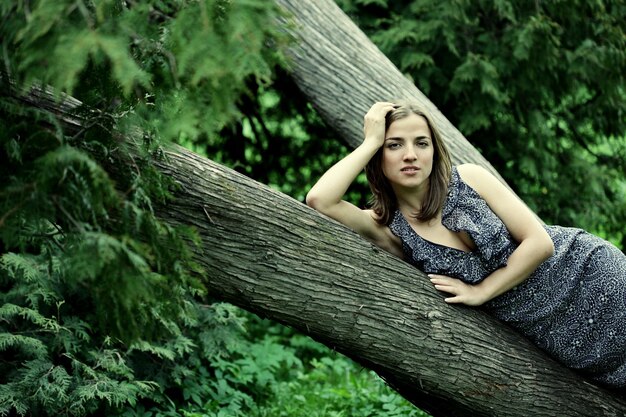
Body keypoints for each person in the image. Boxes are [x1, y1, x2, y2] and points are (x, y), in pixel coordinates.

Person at [306, 101, 626, 388]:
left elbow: (539, 243)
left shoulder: (469, 178)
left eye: (421, 143)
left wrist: (481, 291)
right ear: (379, 156)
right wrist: (371, 141)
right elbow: (321, 199)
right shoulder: (389, 230)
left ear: (434, 150)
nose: (410, 155)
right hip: (560, 334)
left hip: (590, 274)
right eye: (394, 145)